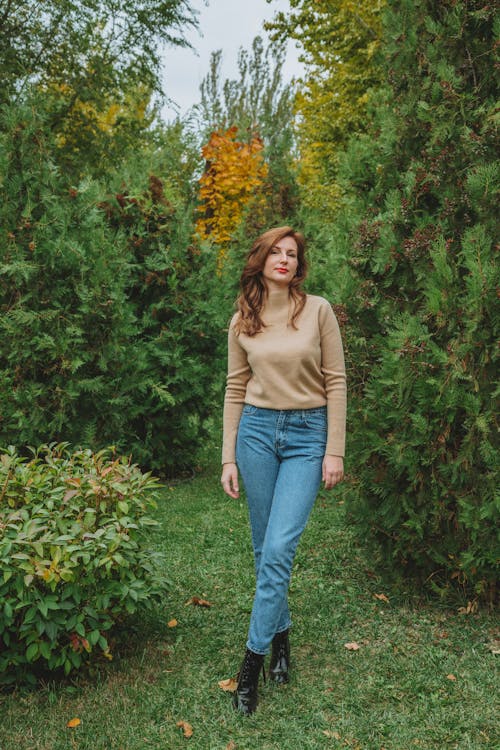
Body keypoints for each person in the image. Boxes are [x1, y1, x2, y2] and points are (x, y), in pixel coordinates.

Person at [221, 226, 347, 715]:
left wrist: (333, 450)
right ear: (261, 260)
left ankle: (249, 668)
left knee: (278, 547)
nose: (285, 259)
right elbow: (235, 388)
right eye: (276, 251)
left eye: (292, 254)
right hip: (255, 434)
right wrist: (228, 456)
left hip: (307, 436)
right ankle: (282, 639)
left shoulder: (317, 310)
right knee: (262, 549)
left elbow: (335, 381)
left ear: (299, 266)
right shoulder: (242, 320)